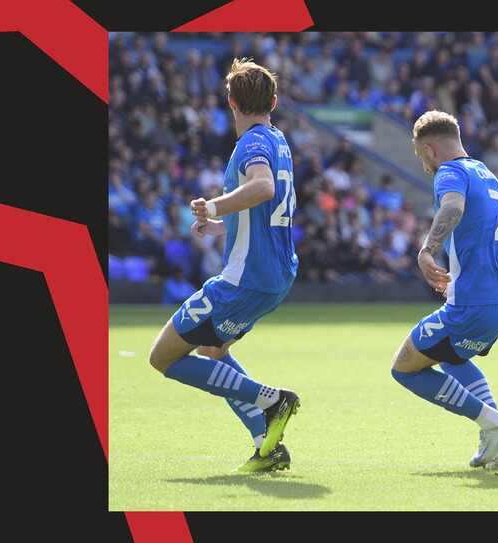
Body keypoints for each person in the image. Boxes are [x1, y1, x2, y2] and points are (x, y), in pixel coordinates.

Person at [148, 58, 301, 473]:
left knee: (163, 357)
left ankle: (272, 400)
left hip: (244, 279)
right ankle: (266, 445)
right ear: (273, 102)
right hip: (275, 275)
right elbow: (267, 207)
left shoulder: (251, 143)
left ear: (230, 101)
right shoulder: (278, 139)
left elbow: (263, 187)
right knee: (213, 350)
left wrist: (213, 206)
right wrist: (222, 226)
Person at [390, 110, 498, 469]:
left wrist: (427, 250)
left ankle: (494, 423)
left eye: (421, 157)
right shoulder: (485, 173)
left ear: (430, 150)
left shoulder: (449, 172)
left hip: (475, 303)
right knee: (452, 356)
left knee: (404, 368)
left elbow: (453, 206)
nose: (424, 166)